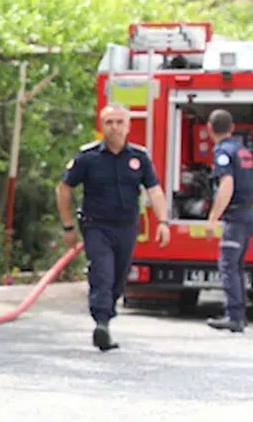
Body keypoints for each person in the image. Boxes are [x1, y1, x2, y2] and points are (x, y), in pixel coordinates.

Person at [57, 103, 172, 351]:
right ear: (102, 126)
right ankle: (102, 322)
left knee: (119, 279)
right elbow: (64, 188)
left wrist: (163, 222)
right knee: (103, 274)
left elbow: (154, 190)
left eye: (120, 122)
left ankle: (106, 316)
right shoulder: (88, 157)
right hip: (96, 226)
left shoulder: (139, 158)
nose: (115, 127)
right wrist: (68, 226)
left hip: (127, 228)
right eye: (109, 122)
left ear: (128, 126)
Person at [204, 108, 253, 333]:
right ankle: (239, 314)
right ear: (232, 128)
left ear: (209, 129)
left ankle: (234, 316)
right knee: (236, 266)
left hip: (236, 216)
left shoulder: (223, 152)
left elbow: (227, 184)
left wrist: (212, 218)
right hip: (249, 213)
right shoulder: (242, 150)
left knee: (228, 265)